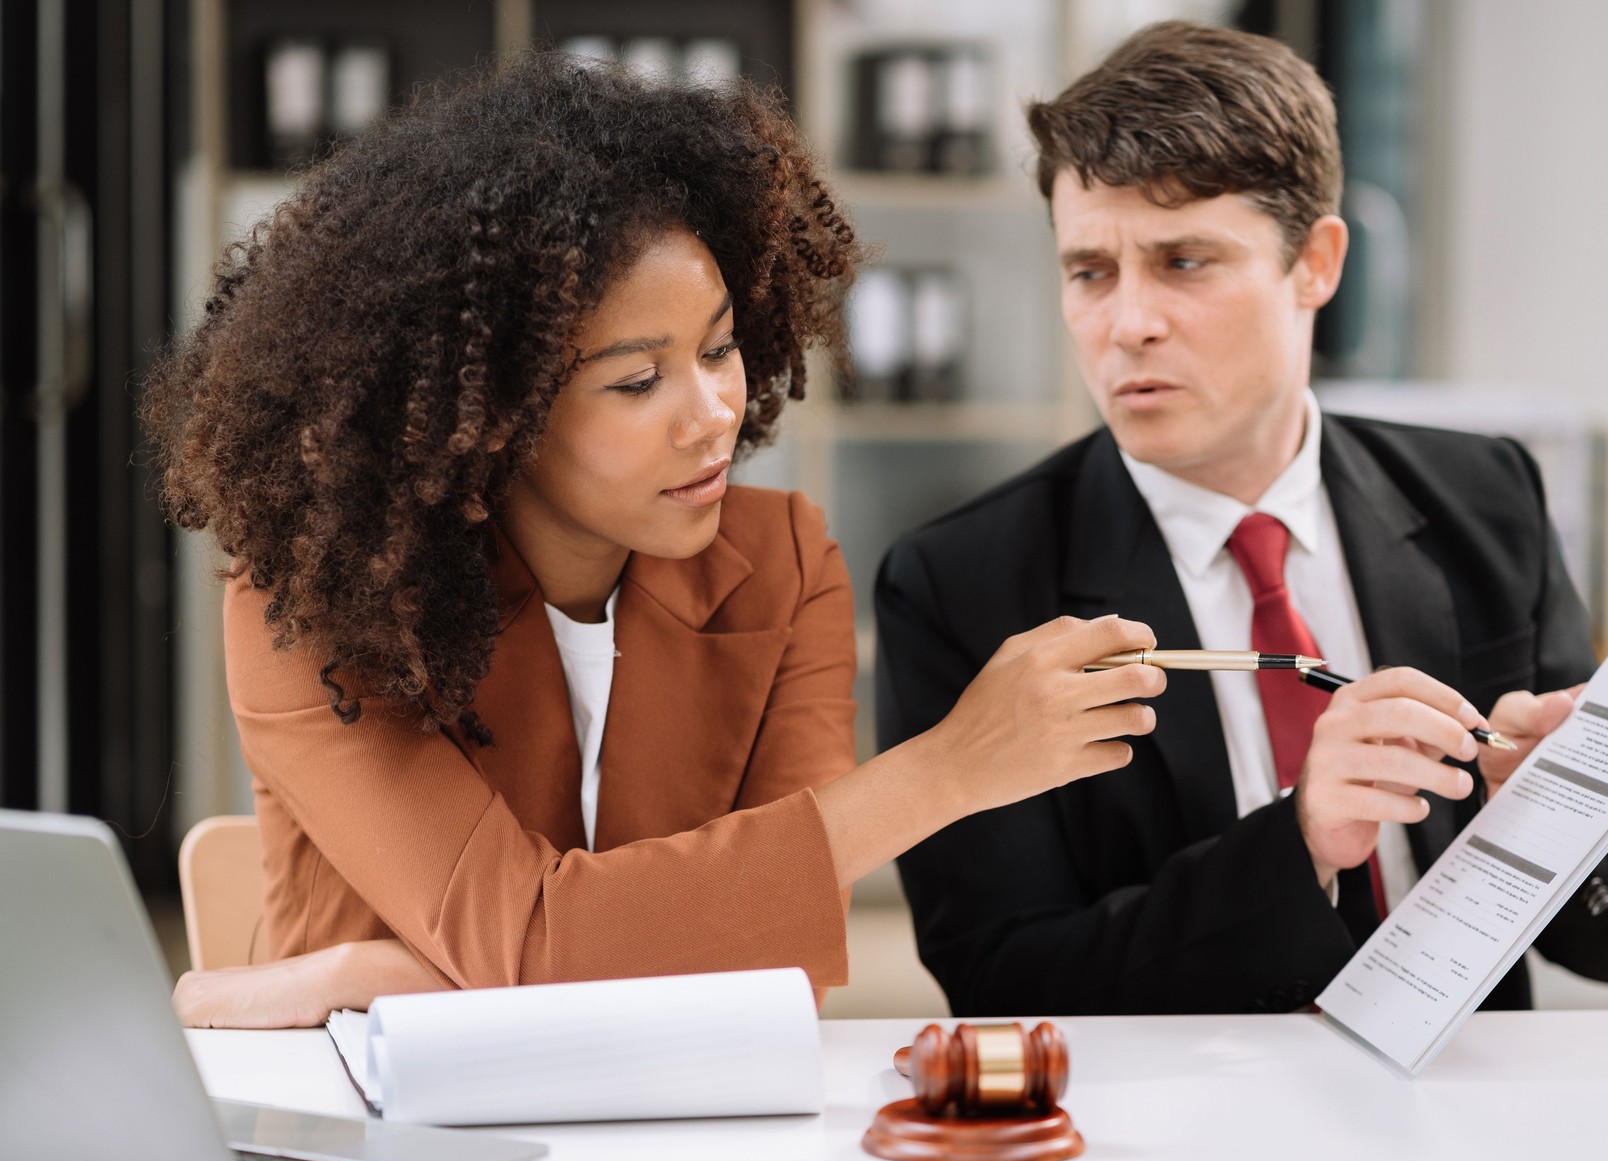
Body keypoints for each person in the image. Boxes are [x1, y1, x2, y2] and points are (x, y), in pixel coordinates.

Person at [150, 54, 1162, 1027]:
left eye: (720, 349)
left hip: (677, 1130)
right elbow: (542, 936)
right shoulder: (322, 601)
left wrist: (380, 972)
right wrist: (948, 768)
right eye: (638, 381)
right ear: (498, 414)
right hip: (383, 1130)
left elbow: (781, 967)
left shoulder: (785, 564)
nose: (716, 411)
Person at [874, 22, 1608, 1017]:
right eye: (1090, 271)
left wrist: (1555, 804)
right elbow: (997, 981)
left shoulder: (1487, 499)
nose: (1127, 322)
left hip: (1465, 1130)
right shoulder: (963, 582)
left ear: (1317, 263)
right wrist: (1295, 845)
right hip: (1160, 1147)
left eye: (1183, 261)